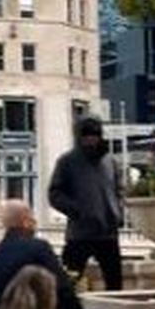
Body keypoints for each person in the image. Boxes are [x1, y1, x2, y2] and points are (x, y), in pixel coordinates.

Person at [48, 114, 125, 291]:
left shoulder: (110, 161)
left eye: (95, 134)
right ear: (79, 136)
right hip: (79, 233)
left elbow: (119, 189)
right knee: (69, 281)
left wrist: (117, 211)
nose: (91, 139)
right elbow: (54, 193)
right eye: (87, 134)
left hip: (108, 232)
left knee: (115, 284)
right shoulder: (67, 162)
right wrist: (77, 211)